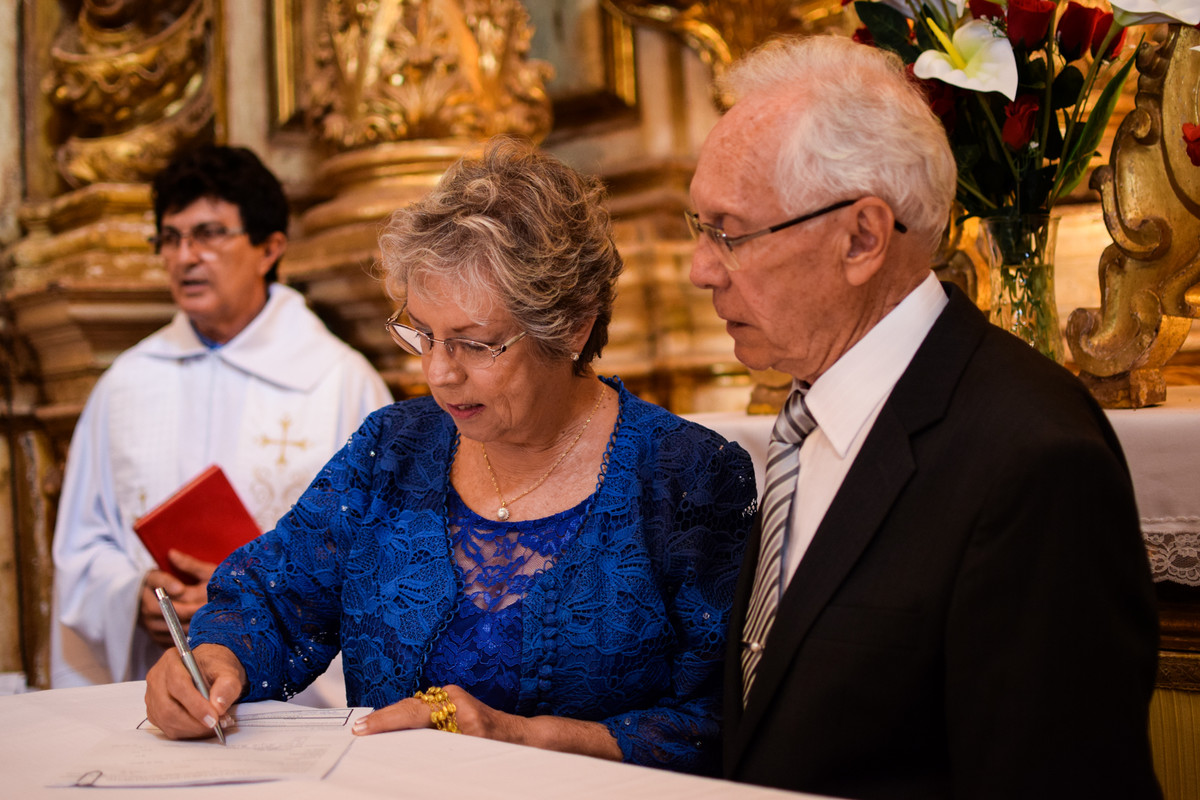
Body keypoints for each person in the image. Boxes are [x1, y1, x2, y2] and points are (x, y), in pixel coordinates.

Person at [144, 137, 756, 774]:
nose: (439, 373)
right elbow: (271, 601)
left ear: (573, 326)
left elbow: (720, 720)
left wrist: (522, 736)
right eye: (424, 334)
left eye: (474, 343)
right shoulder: (393, 449)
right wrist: (214, 661)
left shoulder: (687, 475)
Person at [687, 35, 1161, 800]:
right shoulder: (810, 419)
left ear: (862, 238)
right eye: (698, 228)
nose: (700, 269)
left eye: (730, 232)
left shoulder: (1031, 458)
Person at [52, 145, 392, 690]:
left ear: (269, 248)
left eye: (208, 235)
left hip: (294, 699)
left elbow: (379, 555)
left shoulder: (340, 383)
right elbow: (81, 544)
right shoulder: (125, 384)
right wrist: (134, 595)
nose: (185, 257)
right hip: (152, 679)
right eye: (170, 238)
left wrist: (242, 600)